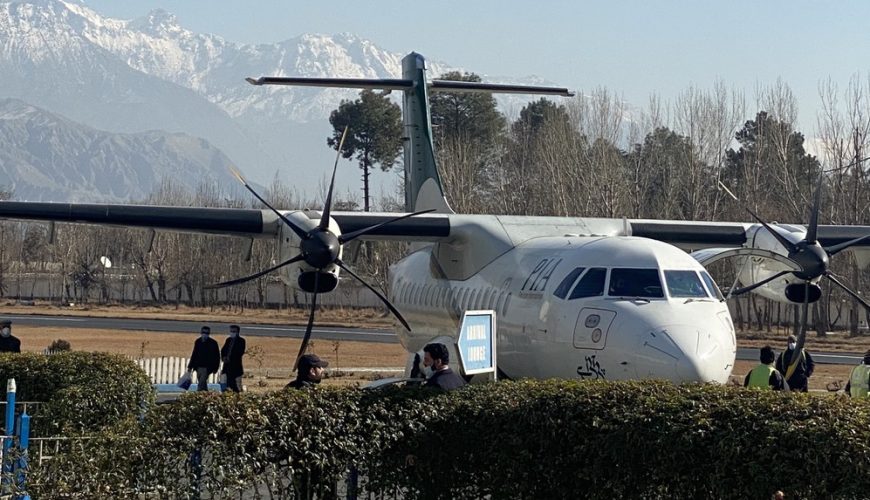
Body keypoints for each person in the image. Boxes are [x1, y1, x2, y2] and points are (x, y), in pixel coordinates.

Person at [187, 326, 220, 391]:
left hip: (207, 367)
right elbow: (194, 354)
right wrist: (190, 366)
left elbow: (217, 356)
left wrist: (216, 367)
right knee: (201, 381)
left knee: (202, 382)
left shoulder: (213, 343)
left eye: (207, 333)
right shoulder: (198, 341)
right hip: (198, 366)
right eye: (203, 332)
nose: (205, 334)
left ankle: (199, 393)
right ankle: (205, 394)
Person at [220, 324, 246, 393]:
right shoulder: (228, 340)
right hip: (227, 367)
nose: (232, 332)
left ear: (237, 332)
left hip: (236, 367)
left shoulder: (241, 341)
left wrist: (230, 358)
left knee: (237, 386)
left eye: (234, 331)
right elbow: (223, 350)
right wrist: (223, 357)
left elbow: (240, 352)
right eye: (231, 331)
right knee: (228, 385)